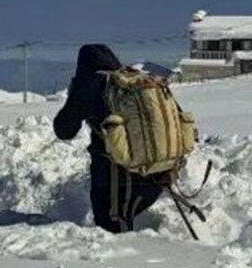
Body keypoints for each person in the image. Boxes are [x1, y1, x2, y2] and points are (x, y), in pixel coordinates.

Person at [53, 44, 178, 233]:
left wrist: (76, 94)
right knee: (121, 234)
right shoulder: (139, 82)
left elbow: (64, 130)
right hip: (158, 171)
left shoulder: (90, 83)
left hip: (116, 178)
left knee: (113, 237)